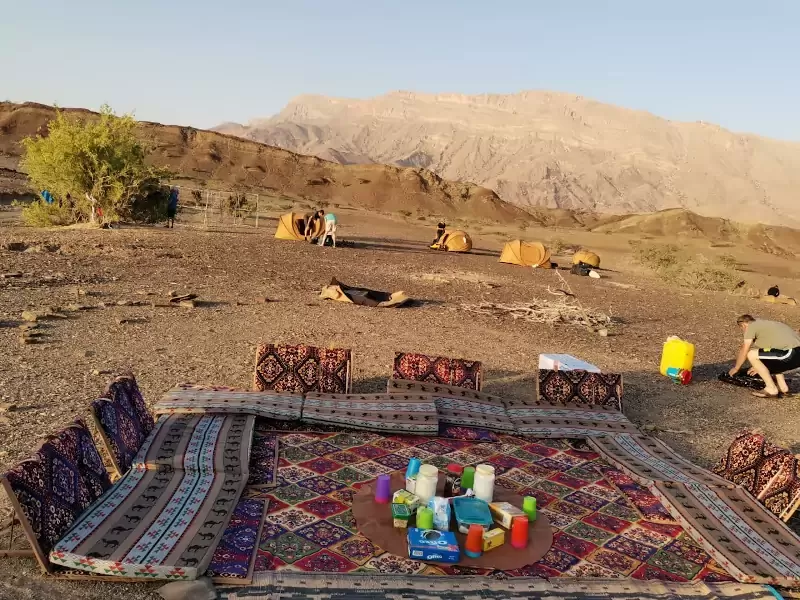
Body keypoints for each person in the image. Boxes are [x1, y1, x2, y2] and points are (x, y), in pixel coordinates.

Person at [729, 314, 800, 398]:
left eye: (742, 329)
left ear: (743, 325)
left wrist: (736, 368)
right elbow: (769, 355)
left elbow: (745, 348)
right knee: (768, 356)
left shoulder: (751, 326)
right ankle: (783, 387)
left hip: (789, 353)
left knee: (751, 354)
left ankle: (771, 389)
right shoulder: (766, 327)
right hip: (796, 354)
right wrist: (759, 366)